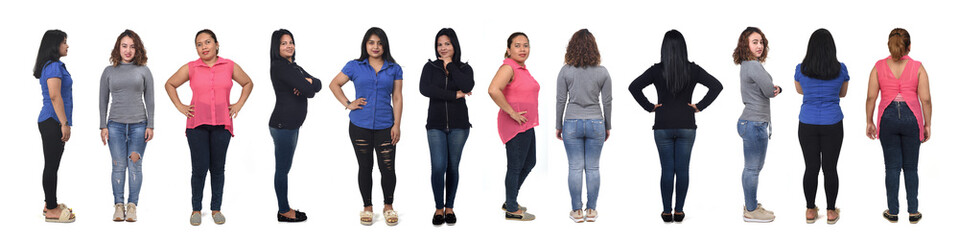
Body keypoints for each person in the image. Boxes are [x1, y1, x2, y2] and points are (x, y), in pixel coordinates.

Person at [628, 30, 723, 223]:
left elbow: (634, 87)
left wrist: (650, 107)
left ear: (664, 48)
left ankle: (665, 212)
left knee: (666, 170)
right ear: (683, 48)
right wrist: (699, 106)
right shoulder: (693, 69)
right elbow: (716, 86)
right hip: (687, 125)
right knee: (682, 170)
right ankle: (679, 212)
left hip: (662, 125)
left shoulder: (656, 70)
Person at [164, 29, 254, 226]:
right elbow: (170, 84)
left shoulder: (229, 66)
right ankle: (196, 209)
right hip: (197, 126)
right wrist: (180, 106)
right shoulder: (191, 67)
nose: (204, 47)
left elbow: (248, 83)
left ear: (216, 44)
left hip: (222, 125)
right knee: (199, 169)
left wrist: (238, 104)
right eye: (199, 44)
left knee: (218, 168)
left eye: (207, 42)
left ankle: (216, 209)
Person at [329, 27, 404, 226]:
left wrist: (397, 124)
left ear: (384, 45)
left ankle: (388, 206)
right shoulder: (354, 66)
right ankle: (368, 207)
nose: (375, 46)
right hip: (359, 125)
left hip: (386, 125)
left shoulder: (394, 68)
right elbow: (334, 84)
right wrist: (348, 104)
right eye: (371, 42)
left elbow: (397, 97)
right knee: (365, 166)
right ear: (365, 45)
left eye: (379, 43)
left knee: (388, 168)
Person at [865, 28, 931, 224]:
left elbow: (871, 97)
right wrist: (927, 124)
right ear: (909, 46)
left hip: (888, 118)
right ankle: (913, 212)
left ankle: (893, 211)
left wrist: (869, 121)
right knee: (911, 168)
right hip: (912, 119)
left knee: (892, 168)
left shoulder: (878, 66)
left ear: (890, 45)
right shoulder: (918, 67)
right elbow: (925, 100)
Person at [99, 29, 154, 222]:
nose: (128, 50)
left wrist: (151, 125)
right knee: (118, 166)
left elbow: (150, 99)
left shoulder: (144, 70)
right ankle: (118, 205)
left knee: (135, 166)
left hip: (139, 125)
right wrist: (102, 126)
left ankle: (132, 206)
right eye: (124, 46)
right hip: (115, 126)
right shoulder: (108, 71)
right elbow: (103, 100)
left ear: (137, 49)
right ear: (118, 48)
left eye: (132, 46)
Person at [555, 29, 611, 223]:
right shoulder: (602, 72)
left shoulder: (566, 71)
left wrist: (558, 124)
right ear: (593, 47)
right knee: (593, 168)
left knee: (575, 168)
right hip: (596, 121)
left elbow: (560, 100)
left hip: (571, 122)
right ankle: (592, 211)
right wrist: (607, 125)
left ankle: (577, 211)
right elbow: (608, 101)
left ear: (572, 47)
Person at [419, 28, 474, 226]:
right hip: (435, 125)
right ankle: (438, 208)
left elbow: (467, 86)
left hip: (459, 126)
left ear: (454, 45)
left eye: (447, 44)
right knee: (438, 166)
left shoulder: (464, 68)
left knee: (452, 166)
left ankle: (449, 207)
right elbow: (425, 89)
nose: (443, 48)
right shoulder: (430, 68)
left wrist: (451, 65)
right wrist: (453, 94)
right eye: (439, 44)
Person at [794, 28, 848, 225]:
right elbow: (842, 93)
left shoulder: (801, 69)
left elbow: (800, 90)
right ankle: (831, 212)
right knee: (830, 168)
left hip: (807, 123)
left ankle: (810, 210)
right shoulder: (840, 69)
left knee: (811, 167)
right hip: (832, 123)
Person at [269, 29, 322, 222]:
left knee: (285, 168)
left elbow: (318, 84)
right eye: (283, 43)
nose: (288, 45)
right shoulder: (280, 66)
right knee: (282, 169)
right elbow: (309, 90)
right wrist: (306, 84)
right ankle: (284, 210)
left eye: (290, 42)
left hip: (291, 125)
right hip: (283, 125)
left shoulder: (293, 66)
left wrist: (306, 82)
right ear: (276, 47)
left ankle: (285, 207)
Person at [488, 32, 539, 221]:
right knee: (516, 167)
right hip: (515, 125)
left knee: (530, 162)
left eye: (526, 45)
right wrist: (511, 112)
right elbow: (493, 89)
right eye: (517, 45)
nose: (522, 49)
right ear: (509, 49)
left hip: (527, 124)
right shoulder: (508, 67)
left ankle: (510, 200)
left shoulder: (521, 68)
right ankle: (511, 209)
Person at [732, 27, 780, 223]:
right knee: (752, 168)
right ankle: (751, 209)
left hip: (752, 122)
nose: (759, 46)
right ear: (746, 45)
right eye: (755, 42)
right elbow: (769, 91)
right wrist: (777, 88)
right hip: (754, 123)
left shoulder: (748, 64)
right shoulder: (753, 65)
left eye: (761, 42)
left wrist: (772, 89)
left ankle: (750, 204)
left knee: (753, 168)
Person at [34, 29, 76, 223]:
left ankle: (50, 203)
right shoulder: (53, 67)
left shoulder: (56, 65)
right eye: (64, 42)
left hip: (53, 120)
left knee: (53, 165)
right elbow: (54, 96)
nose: (67, 45)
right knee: (51, 166)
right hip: (53, 121)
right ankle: (51, 209)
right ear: (54, 45)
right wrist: (64, 123)